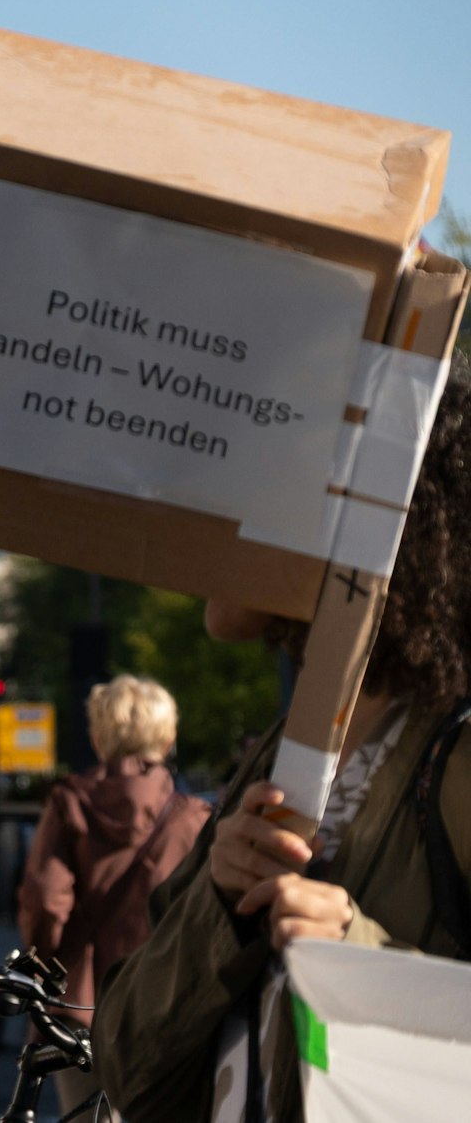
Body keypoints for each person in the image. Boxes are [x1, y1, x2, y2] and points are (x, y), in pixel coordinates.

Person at [94, 352, 471, 1121]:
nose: (206, 521)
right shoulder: (282, 753)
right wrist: (219, 911)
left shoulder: (454, 750)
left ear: (348, 522)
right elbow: (127, 1065)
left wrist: (354, 950)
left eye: (243, 490)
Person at [16, 674, 210, 1121]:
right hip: (166, 1003)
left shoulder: (69, 803)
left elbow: (46, 899)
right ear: (168, 737)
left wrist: (42, 970)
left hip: (80, 1007)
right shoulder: (194, 819)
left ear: (99, 735)